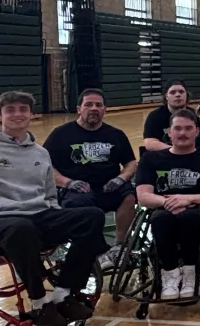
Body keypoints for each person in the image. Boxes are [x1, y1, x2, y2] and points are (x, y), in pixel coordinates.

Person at [0, 90, 107, 326]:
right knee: (21, 228)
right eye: (10, 110)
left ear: (32, 115)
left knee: (92, 216)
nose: (17, 115)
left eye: (23, 110)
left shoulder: (40, 153)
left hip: (37, 217)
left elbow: (49, 197)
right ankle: (39, 302)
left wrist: (57, 221)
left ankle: (63, 293)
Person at [135, 109, 200, 300]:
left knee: (190, 216)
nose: (183, 133)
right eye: (177, 128)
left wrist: (189, 199)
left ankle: (190, 272)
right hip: (165, 210)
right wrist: (169, 201)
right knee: (160, 219)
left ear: (197, 131)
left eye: (188, 128)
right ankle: (169, 274)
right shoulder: (151, 159)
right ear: (169, 133)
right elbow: (143, 196)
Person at [43, 88, 137, 264]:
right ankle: (97, 249)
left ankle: (119, 245)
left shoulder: (116, 134)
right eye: (88, 104)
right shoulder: (60, 134)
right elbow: (46, 166)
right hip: (77, 190)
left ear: (104, 109)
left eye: (98, 105)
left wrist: (121, 178)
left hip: (108, 186)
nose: (94, 108)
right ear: (79, 109)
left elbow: (131, 163)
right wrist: (67, 182)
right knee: (82, 206)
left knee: (129, 196)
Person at [142, 80, 188, 151]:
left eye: (181, 92)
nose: (178, 95)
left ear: (186, 95)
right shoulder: (155, 116)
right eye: (173, 92)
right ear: (166, 96)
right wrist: (175, 150)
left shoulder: (194, 115)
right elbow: (149, 143)